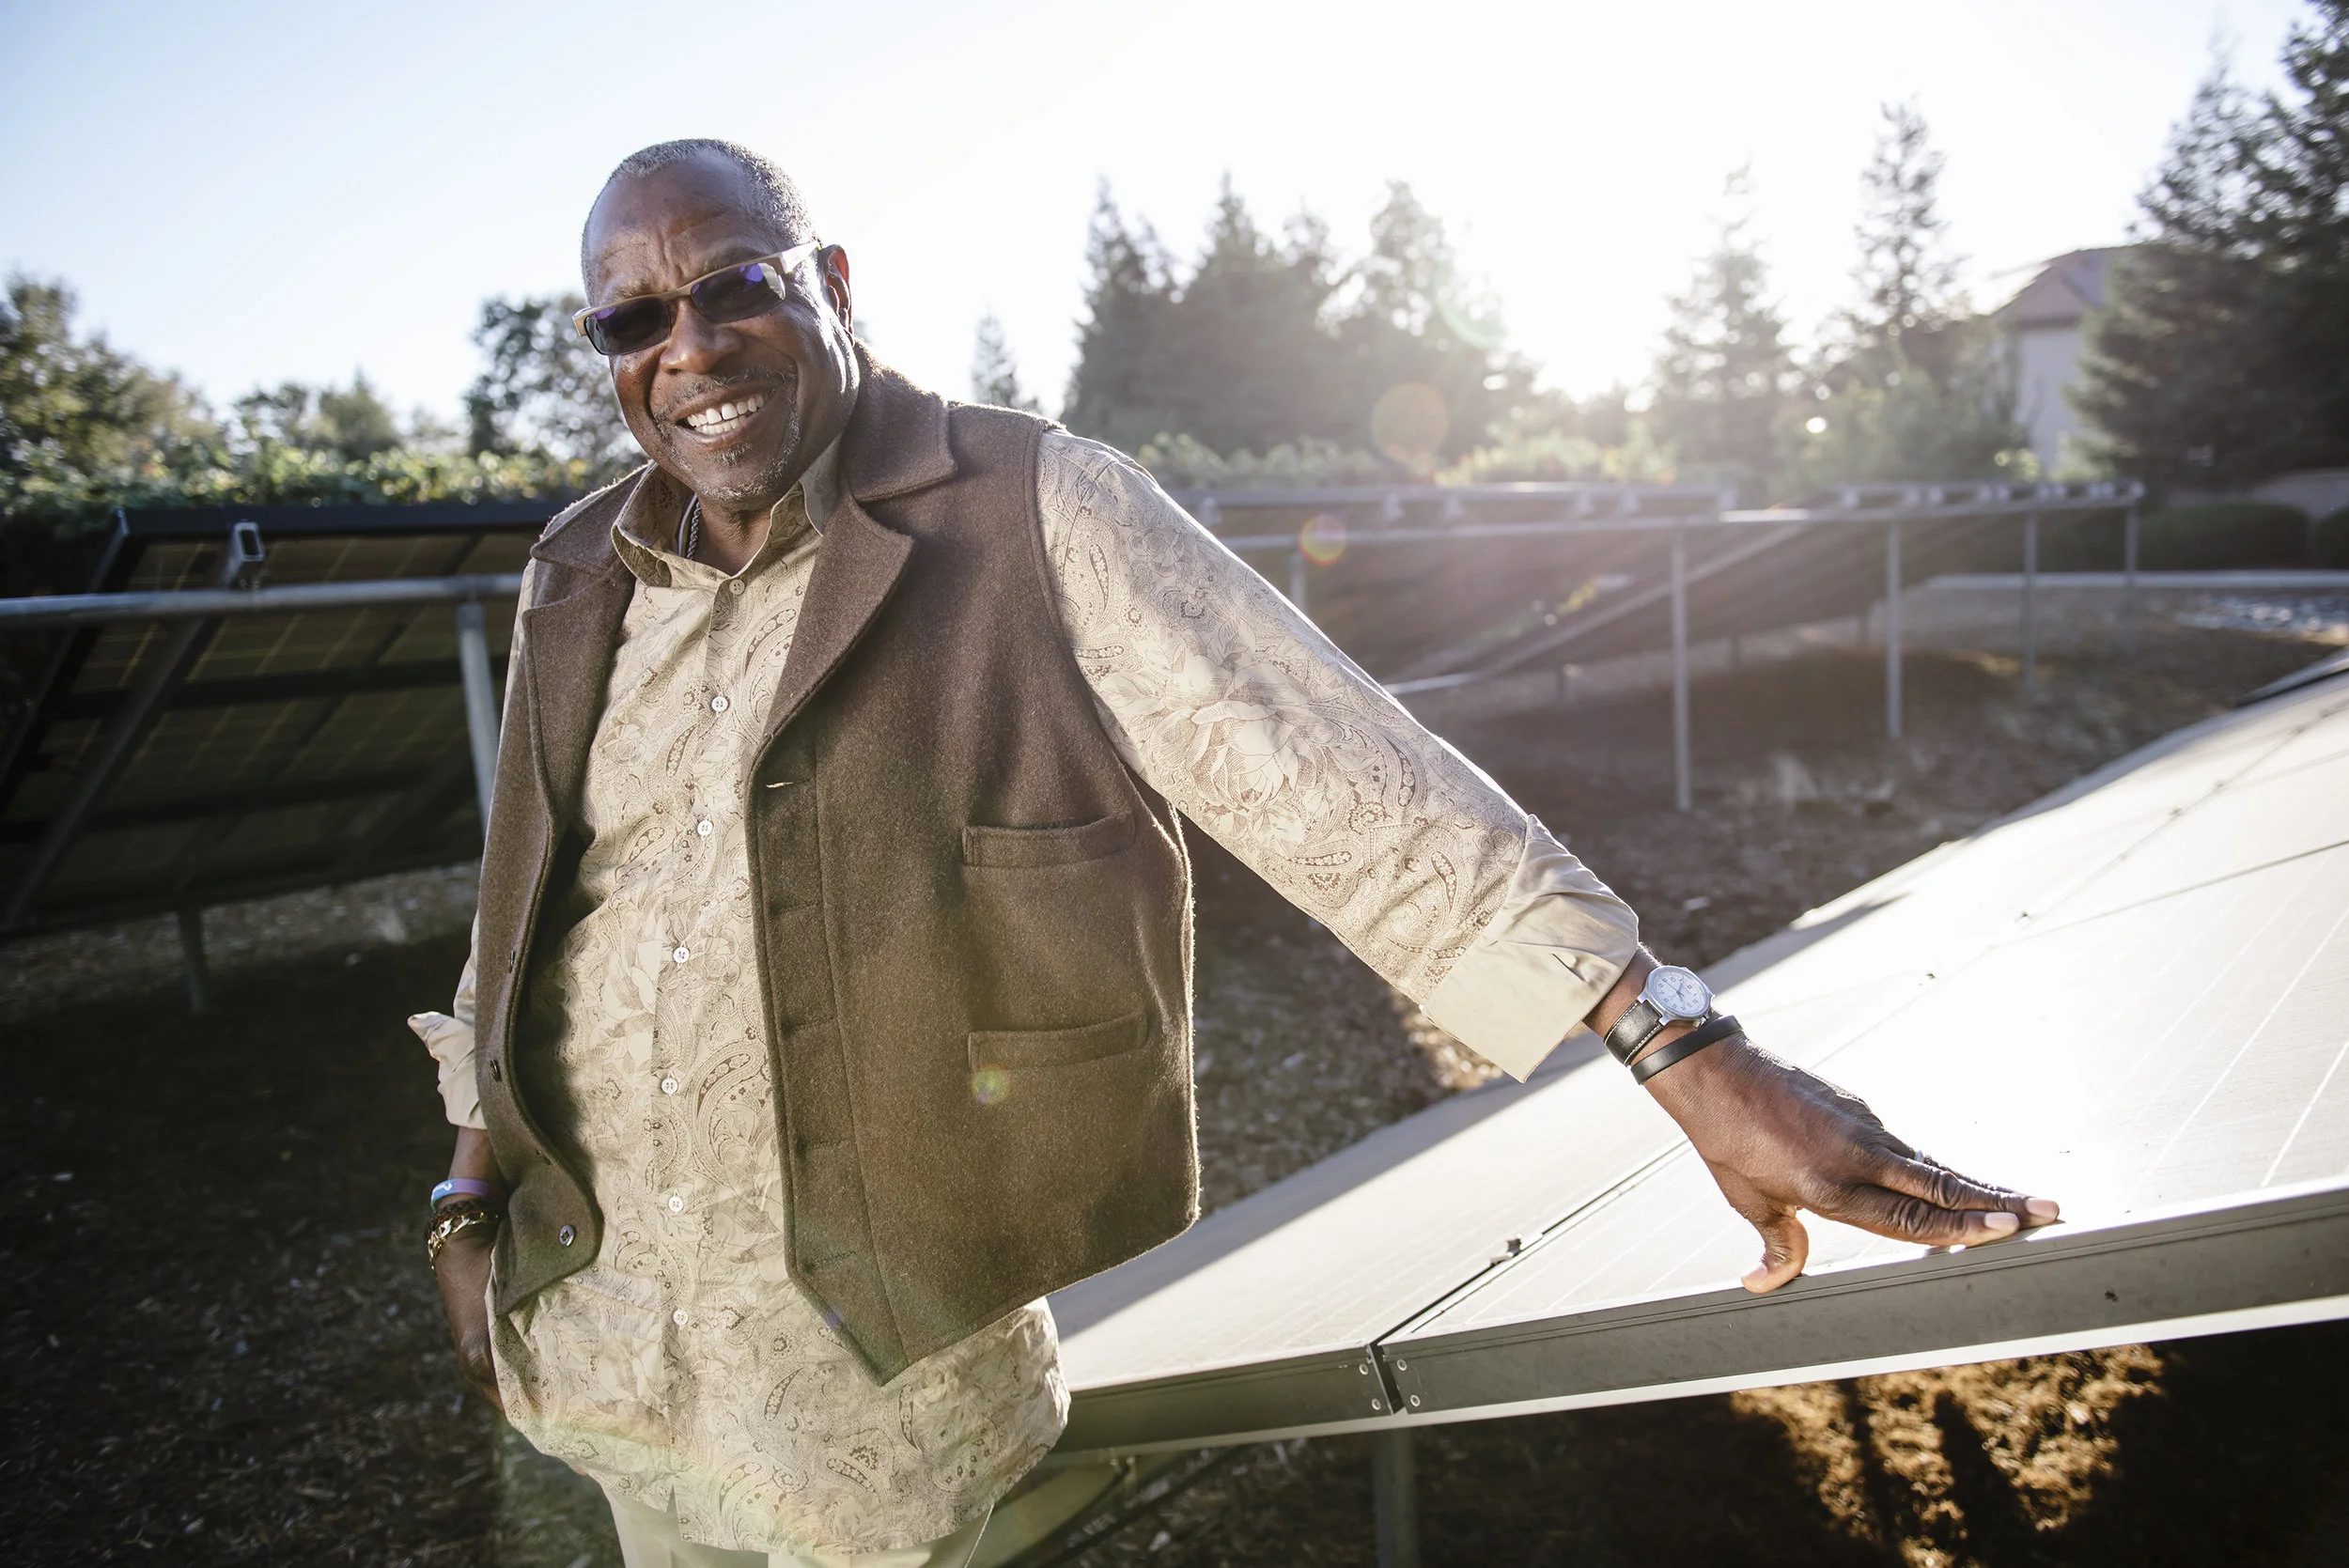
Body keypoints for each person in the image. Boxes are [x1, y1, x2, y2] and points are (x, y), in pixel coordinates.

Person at [411, 138, 2057, 1567]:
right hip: (614, 1350)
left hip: (864, 1387)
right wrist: (468, 1205)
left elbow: (1351, 790)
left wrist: (1686, 1047)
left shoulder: (1032, 510)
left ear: (833, 281)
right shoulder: (582, 575)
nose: (687, 348)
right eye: (634, 319)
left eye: (734, 289)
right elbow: (527, 917)